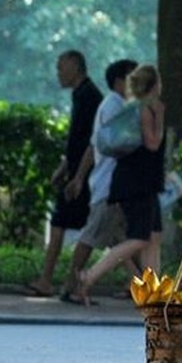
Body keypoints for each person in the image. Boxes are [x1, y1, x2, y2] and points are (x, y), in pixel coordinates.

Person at [76, 63, 166, 303]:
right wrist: (161, 117)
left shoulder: (131, 108)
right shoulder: (145, 109)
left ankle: (152, 291)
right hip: (137, 184)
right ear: (154, 85)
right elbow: (152, 143)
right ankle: (90, 275)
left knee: (154, 237)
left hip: (144, 182)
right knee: (140, 238)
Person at [58, 57, 138, 303]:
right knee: (91, 237)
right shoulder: (114, 107)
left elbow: (93, 146)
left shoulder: (114, 105)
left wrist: (80, 178)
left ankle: (139, 285)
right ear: (118, 81)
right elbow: (122, 146)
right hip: (110, 185)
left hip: (111, 184)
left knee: (126, 238)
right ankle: (70, 286)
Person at [25, 50, 103, 297]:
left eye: (61, 67)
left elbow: (89, 142)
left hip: (85, 174)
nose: (58, 73)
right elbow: (76, 141)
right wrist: (65, 167)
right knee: (102, 230)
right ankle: (64, 281)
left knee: (73, 225)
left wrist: (78, 176)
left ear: (75, 68)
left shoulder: (88, 97)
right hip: (80, 171)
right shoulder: (82, 95)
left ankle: (54, 280)